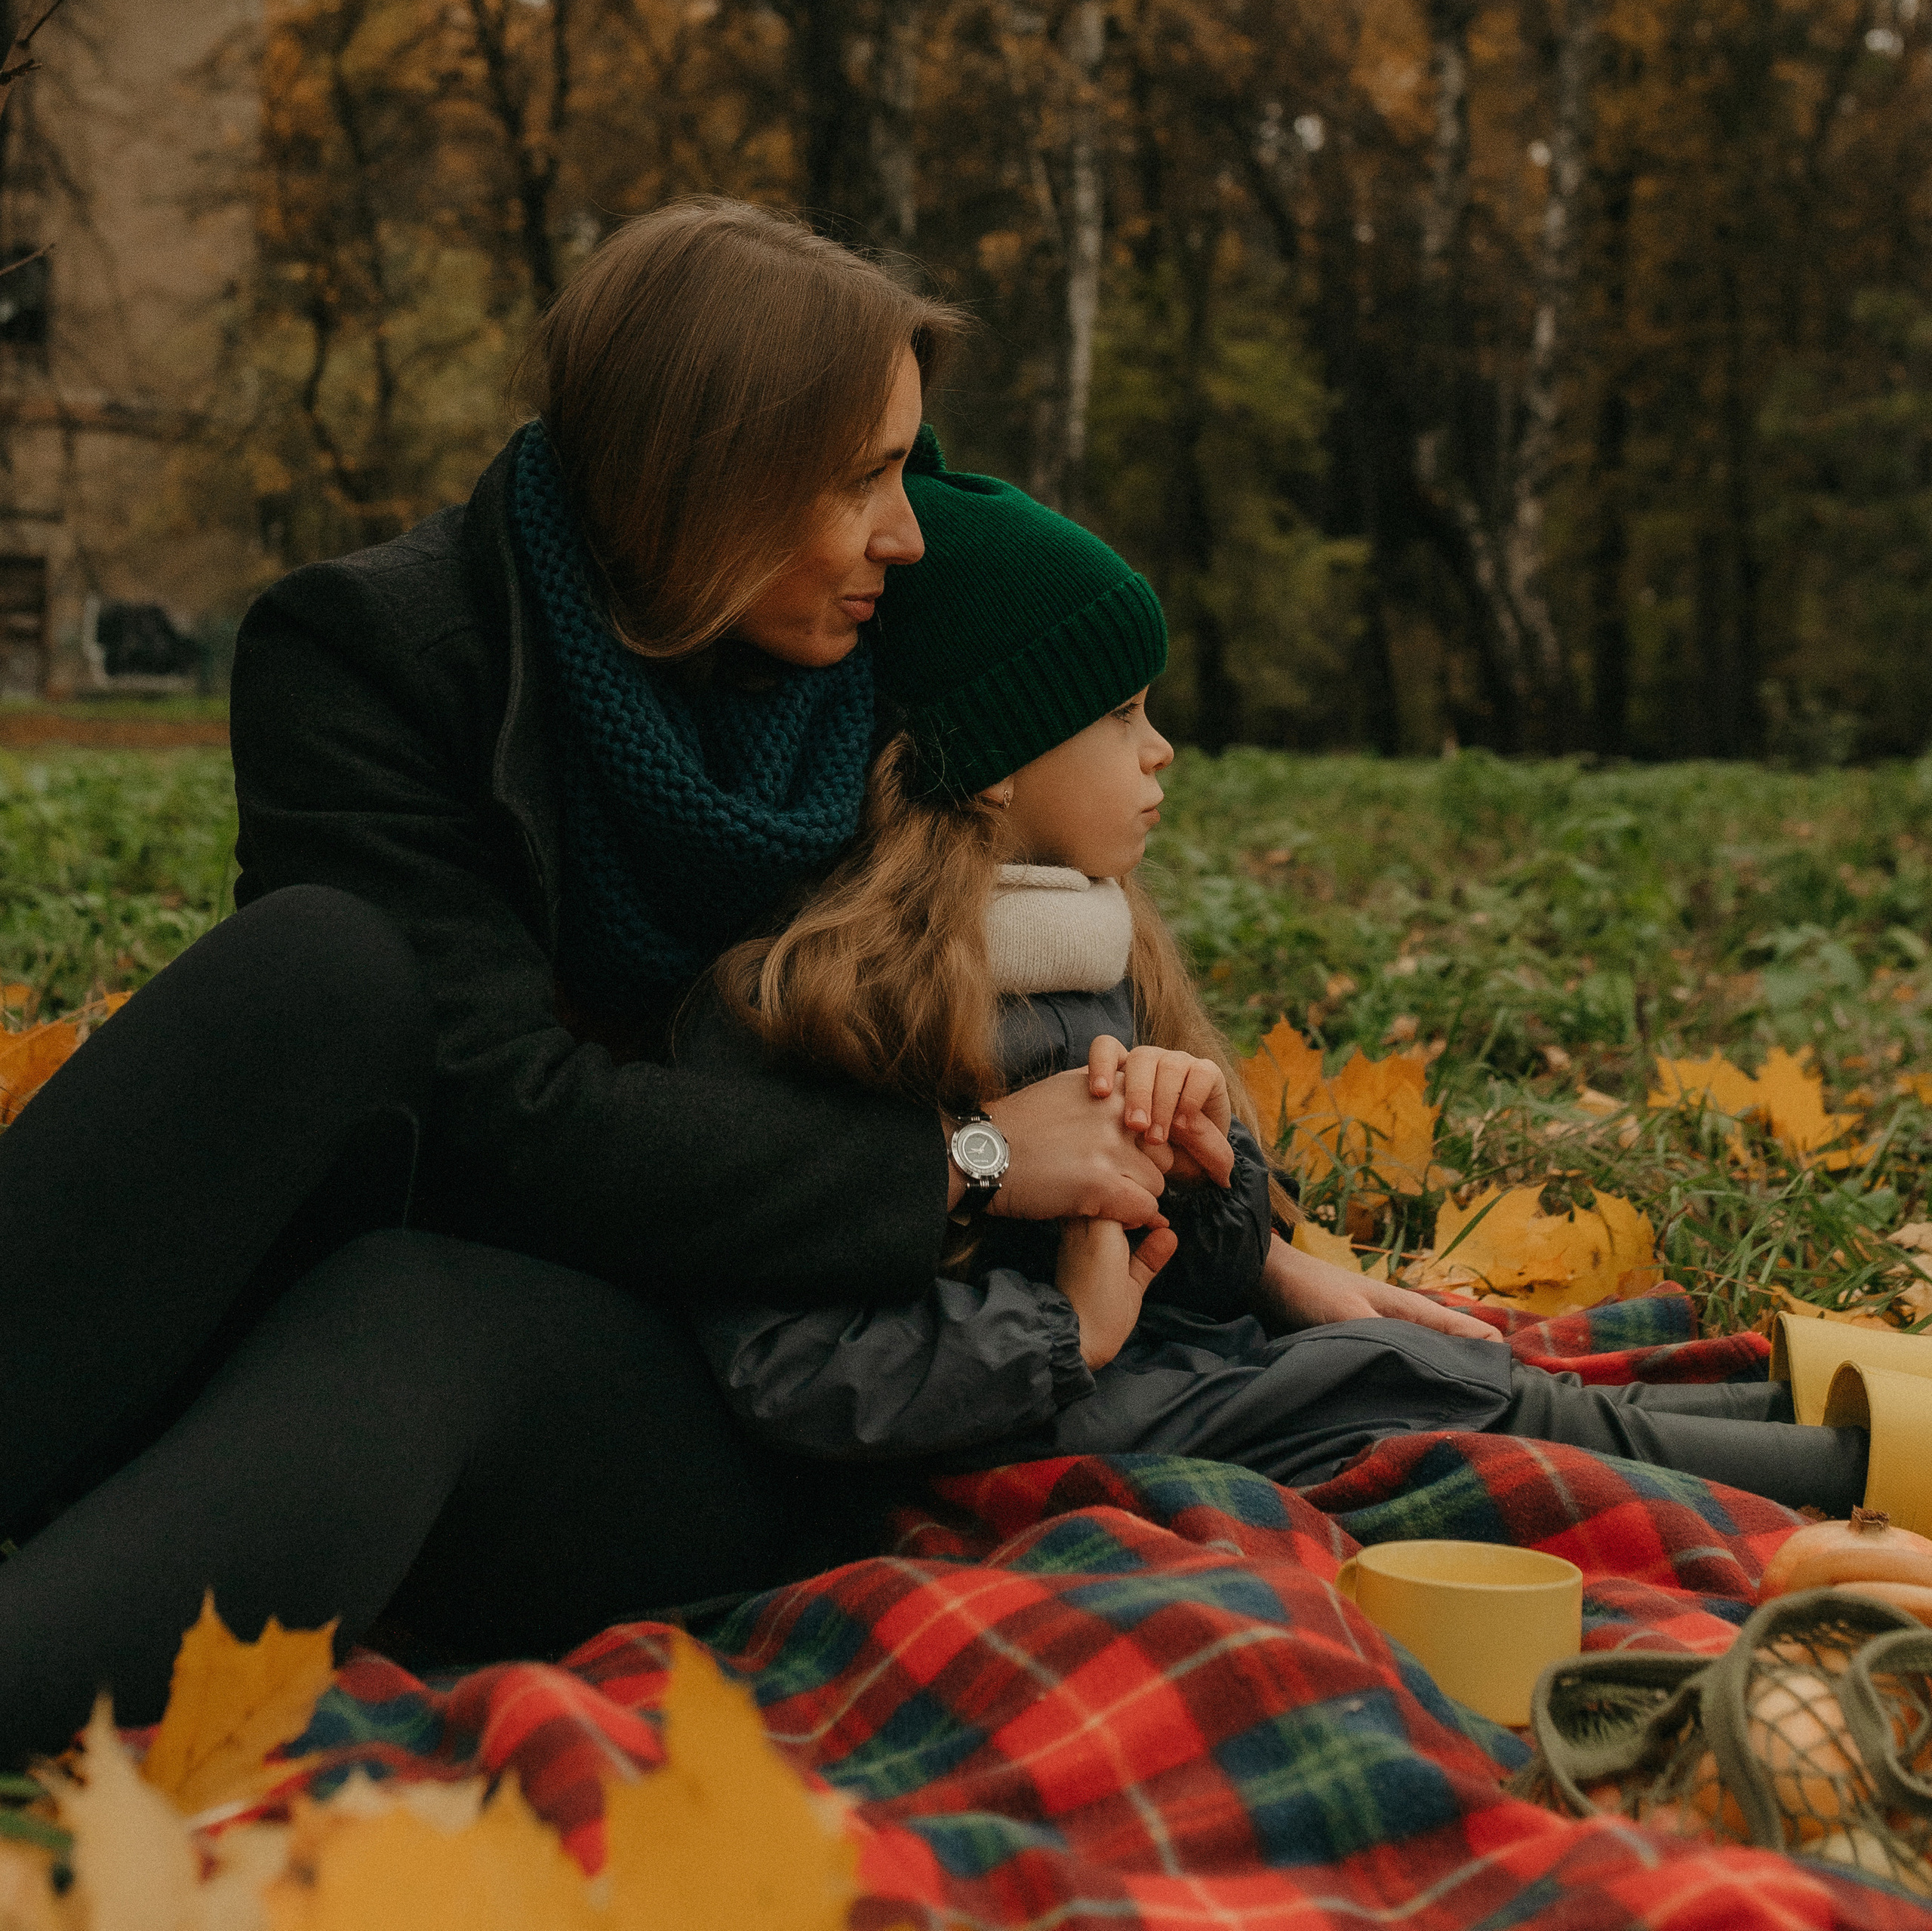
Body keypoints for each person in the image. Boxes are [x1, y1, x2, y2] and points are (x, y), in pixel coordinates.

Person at [0, 202, 1186, 1763]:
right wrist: (960, 1160)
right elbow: (504, 1116)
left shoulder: (879, 666)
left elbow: (1086, 938)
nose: (904, 535)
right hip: (458, 1227)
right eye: (861, 479)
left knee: (413, 1316)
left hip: (736, 1377)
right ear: (710, 476)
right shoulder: (379, 655)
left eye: (907, 471)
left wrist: (1255, 1235)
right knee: (315, 967)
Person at [690, 438, 1870, 1514]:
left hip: (1168, 1378)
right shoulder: (828, 1000)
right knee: (1406, 1394)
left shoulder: (1087, 941)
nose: (1160, 749)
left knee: (1440, 1367)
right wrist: (1061, 1327)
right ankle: (1849, 1479)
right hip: (1036, 1435)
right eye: (1121, 714)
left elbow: (1196, 1274)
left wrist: (1205, 1167)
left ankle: (1836, 1432)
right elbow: (794, 1366)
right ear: (995, 761)